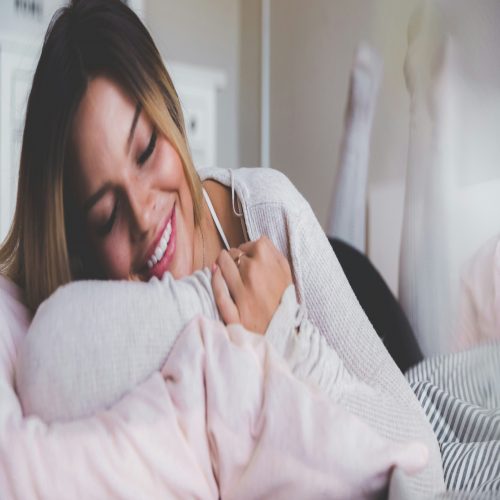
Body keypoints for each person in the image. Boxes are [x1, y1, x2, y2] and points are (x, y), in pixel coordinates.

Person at [2, 0, 445, 496]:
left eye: (147, 151)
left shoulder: (267, 212)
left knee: (420, 357)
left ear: (170, 109)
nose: (144, 216)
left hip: (346, 287)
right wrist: (207, 302)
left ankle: (374, 125)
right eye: (106, 216)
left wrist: (288, 333)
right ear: (80, 244)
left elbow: (425, 466)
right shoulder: (83, 315)